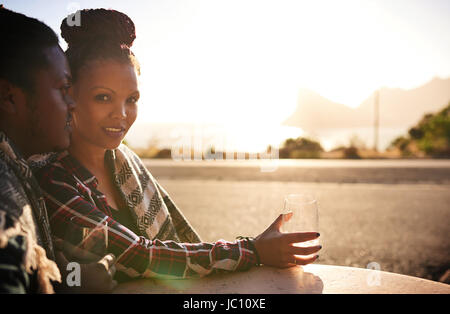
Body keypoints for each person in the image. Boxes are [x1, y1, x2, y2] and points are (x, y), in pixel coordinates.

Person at [35, 8, 321, 283]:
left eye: (131, 100)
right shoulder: (56, 181)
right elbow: (139, 255)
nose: (121, 114)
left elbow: (178, 240)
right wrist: (253, 251)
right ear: (69, 96)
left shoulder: (125, 160)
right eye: (103, 97)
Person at [0, 6, 116, 293]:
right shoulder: (4, 211)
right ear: (9, 97)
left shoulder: (20, 168)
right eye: (63, 88)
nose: (73, 104)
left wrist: (67, 280)